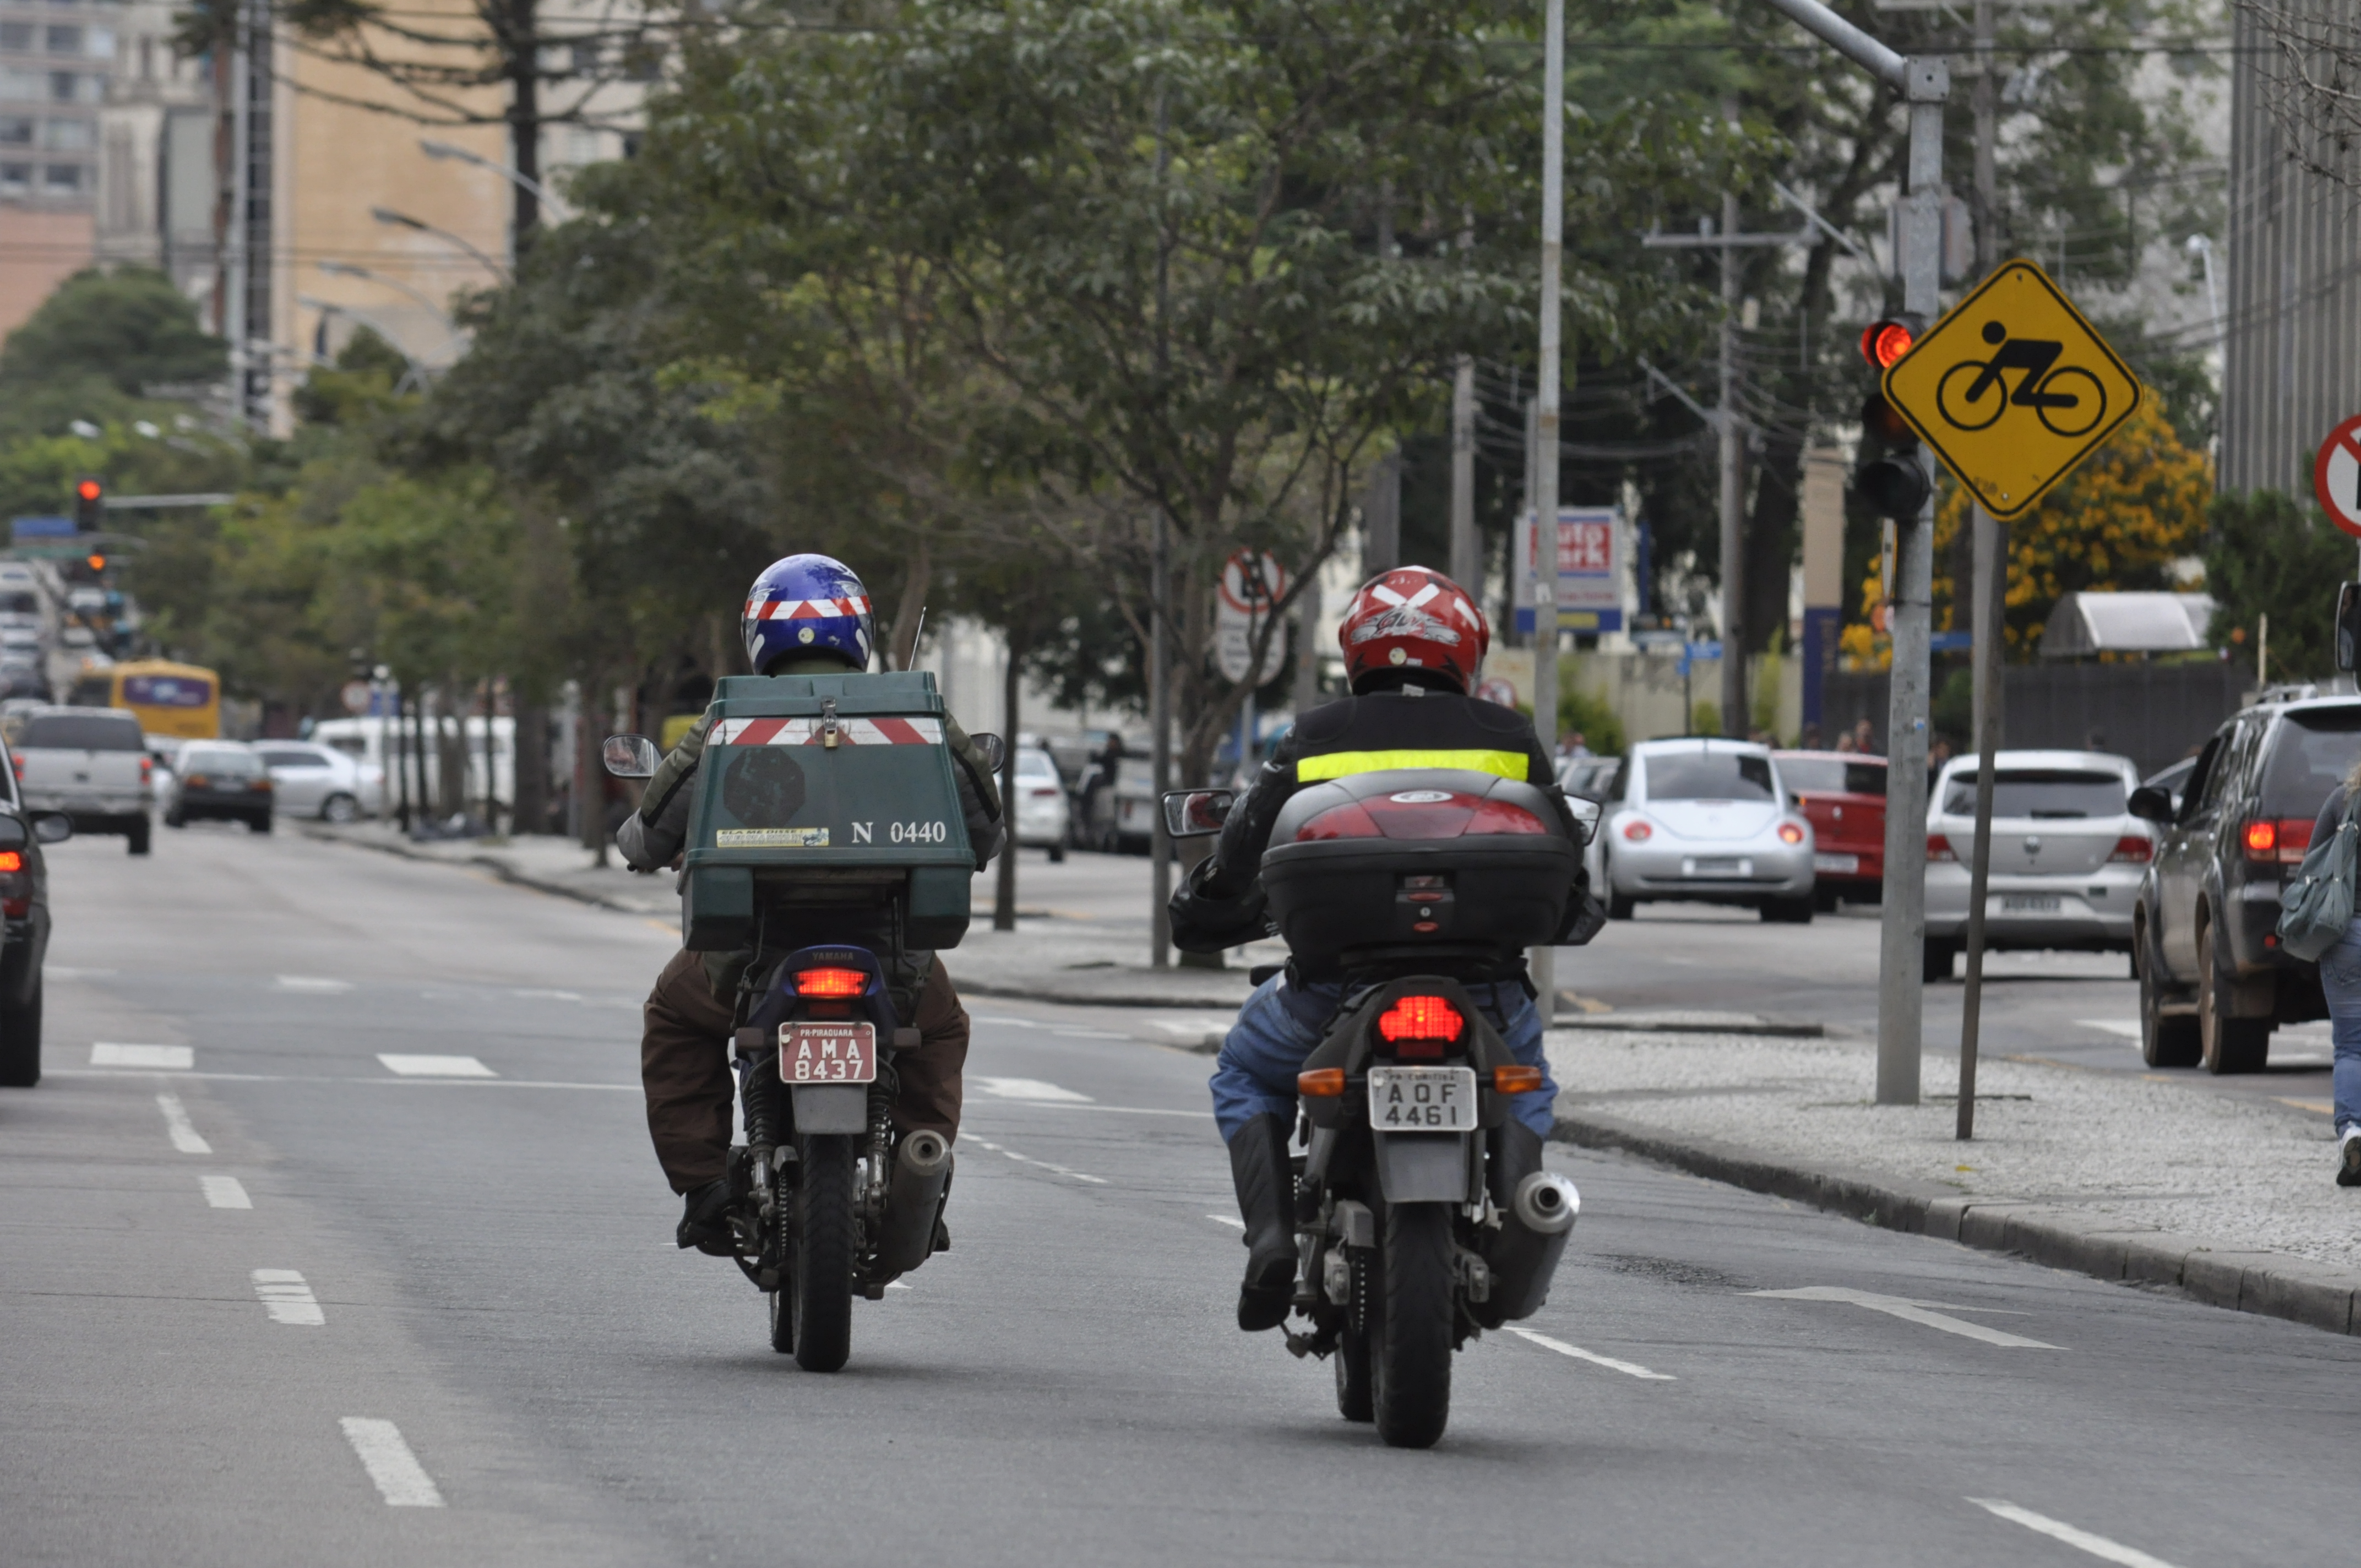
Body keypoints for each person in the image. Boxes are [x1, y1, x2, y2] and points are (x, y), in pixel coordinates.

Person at [1169, 565, 1606, 1330]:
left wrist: (1207, 907)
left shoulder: (1314, 737)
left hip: (1332, 995)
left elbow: (1242, 856)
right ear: (1466, 650)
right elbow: (1563, 862)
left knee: (1244, 1069)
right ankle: (1515, 1210)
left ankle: (1271, 1238)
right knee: (1526, 1081)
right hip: (1486, 994)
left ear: (1356, 649)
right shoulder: (1508, 738)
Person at [617, 554, 1007, 1251]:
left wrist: (639, 842)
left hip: (746, 960)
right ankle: (921, 1176)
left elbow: (652, 831)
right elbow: (987, 827)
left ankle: (706, 1185)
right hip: (895, 962)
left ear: (757, 635)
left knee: (673, 1014)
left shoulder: (729, 718)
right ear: (858, 630)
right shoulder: (918, 716)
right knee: (939, 1032)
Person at [2309, 760, 2361, 1186]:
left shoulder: (2341, 800)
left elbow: (2311, 870)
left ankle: (2353, 1131)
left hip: (2346, 935)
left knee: (2350, 1047)